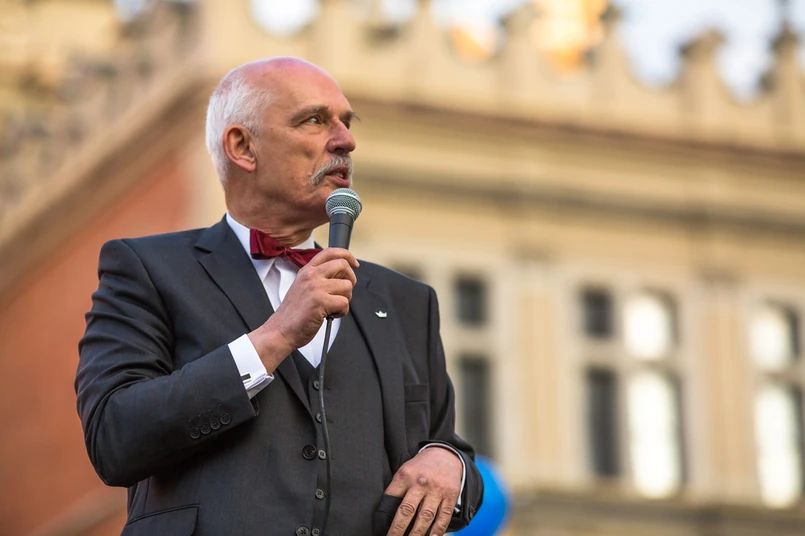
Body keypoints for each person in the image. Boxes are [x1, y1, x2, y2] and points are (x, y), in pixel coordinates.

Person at [75, 57, 483, 536]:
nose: (345, 141)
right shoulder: (148, 269)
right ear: (242, 147)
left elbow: (448, 448)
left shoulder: (406, 301)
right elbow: (114, 437)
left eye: (347, 123)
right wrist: (274, 337)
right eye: (314, 120)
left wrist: (450, 463)